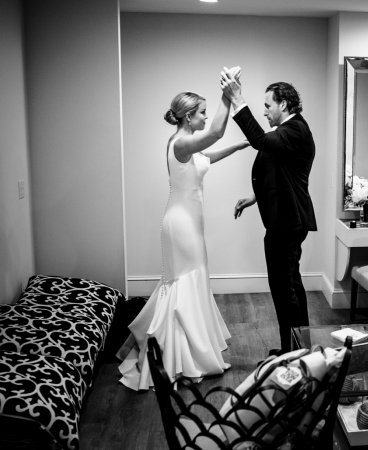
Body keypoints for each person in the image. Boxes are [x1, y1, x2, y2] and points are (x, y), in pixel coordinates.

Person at [118, 72, 249, 390]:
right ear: (189, 117)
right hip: (180, 226)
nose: (206, 117)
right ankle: (177, 355)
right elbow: (215, 132)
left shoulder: (188, 147)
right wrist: (228, 94)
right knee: (184, 285)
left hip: (190, 223)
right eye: (202, 112)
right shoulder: (180, 143)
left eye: (206, 111)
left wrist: (242, 145)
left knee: (195, 280)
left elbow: (209, 155)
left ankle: (190, 348)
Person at [220, 71, 317, 355]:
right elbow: (281, 173)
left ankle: (294, 355)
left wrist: (238, 99)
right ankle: (298, 349)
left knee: (284, 290)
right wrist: (255, 196)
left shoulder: (295, 130)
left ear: (283, 105)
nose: (264, 112)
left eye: (267, 106)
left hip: (287, 223)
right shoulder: (290, 131)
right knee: (290, 288)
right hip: (285, 220)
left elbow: (261, 141)